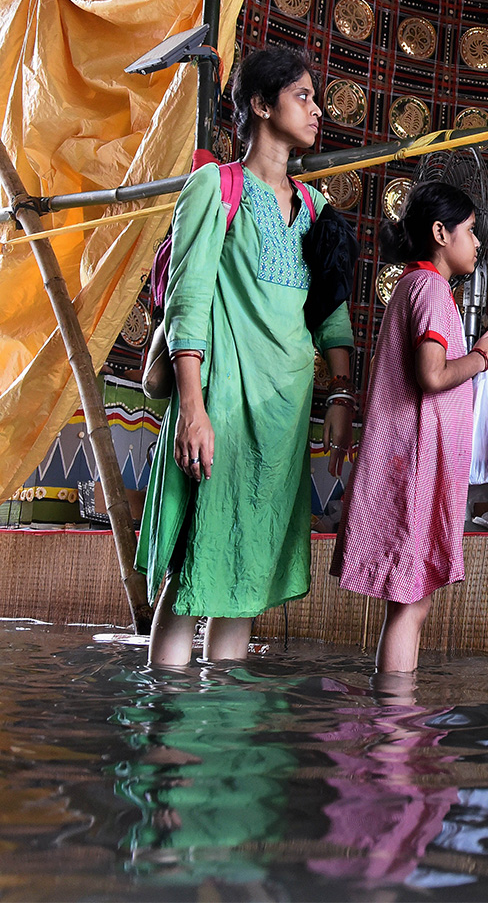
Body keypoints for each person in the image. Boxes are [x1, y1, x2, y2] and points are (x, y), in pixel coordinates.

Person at [139, 46, 357, 667]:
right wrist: (192, 408)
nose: (318, 110)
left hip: (285, 417)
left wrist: (339, 397)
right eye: (303, 96)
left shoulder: (316, 208)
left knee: (247, 583)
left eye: (316, 97)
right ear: (262, 106)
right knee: (195, 568)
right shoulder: (215, 186)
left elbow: (331, 314)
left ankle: (224, 733)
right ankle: (171, 735)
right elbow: (189, 300)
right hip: (223, 405)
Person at [333, 181, 488, 674]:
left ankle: (394, 721)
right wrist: (485, 356)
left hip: (409, 460)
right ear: (441, 233)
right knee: (411, 603)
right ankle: (395, 725)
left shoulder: (413, 285)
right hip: (414, 465)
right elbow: (433, 375)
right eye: (470, 232)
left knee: (411, 601)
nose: (478, 243)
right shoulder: (433, 290)